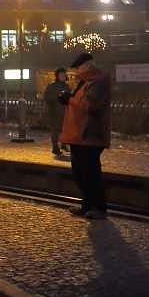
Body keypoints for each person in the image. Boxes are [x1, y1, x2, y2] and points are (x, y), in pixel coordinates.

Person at [58, 52, 111, 220]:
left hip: (90, 135)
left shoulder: (98, 83)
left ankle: (98, 207)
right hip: (78, 136)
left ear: (87, 66)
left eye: (77, 67)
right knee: (80, 173)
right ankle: (87, 205)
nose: (75, 71)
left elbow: (90, 105)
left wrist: (69, 99)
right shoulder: (84, 83)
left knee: (91, 173)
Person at [42, 67, 71, 155]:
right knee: (55, 129)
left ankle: (63, 144)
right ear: (57, 76)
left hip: (64, 110)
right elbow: (46, 97)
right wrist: (58, 97)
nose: (62, 76)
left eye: (63, 74)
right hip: (54, 111)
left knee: (65, 128)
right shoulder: (52, 86)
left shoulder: (66, 86)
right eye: (60, 75)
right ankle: (55, 147)